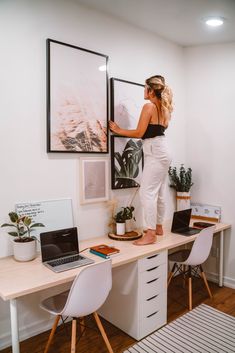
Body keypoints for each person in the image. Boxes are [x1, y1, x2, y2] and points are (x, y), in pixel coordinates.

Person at [109, 75, 173, 245]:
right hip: (164, 150)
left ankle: (151, 234)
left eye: (145, 88)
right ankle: (158, 227)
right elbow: (159, 129)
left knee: (147, 192)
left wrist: (118, 130)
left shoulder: (149, 106)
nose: (144, 91)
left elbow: (139, 133)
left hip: (155, 151)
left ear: (151, 91)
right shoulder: (164, 108)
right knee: (159, 191)